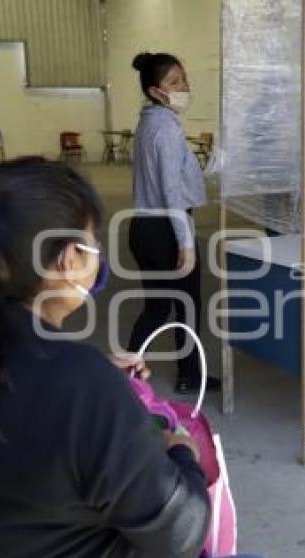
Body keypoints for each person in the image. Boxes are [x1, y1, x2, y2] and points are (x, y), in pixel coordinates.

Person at [0, 158, 212, 558]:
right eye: (93, 246)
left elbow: (22, 403)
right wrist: (182, 451)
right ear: (68, 260)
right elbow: (182, 535)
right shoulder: (80, 387)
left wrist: (94, 385)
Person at [128, 52, 217, 394]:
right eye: (174, 82)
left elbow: (178, 176)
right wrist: (185, 243)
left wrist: (214, 164)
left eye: (184, 78)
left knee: (160, 306)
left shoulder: (150, 122)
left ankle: (132, 374)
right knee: (183, 306)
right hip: (165, 228)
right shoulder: (164, 129)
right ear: (155, 91)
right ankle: (185, 375)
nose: (184, 87)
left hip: (147, 227)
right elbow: (170, 190)